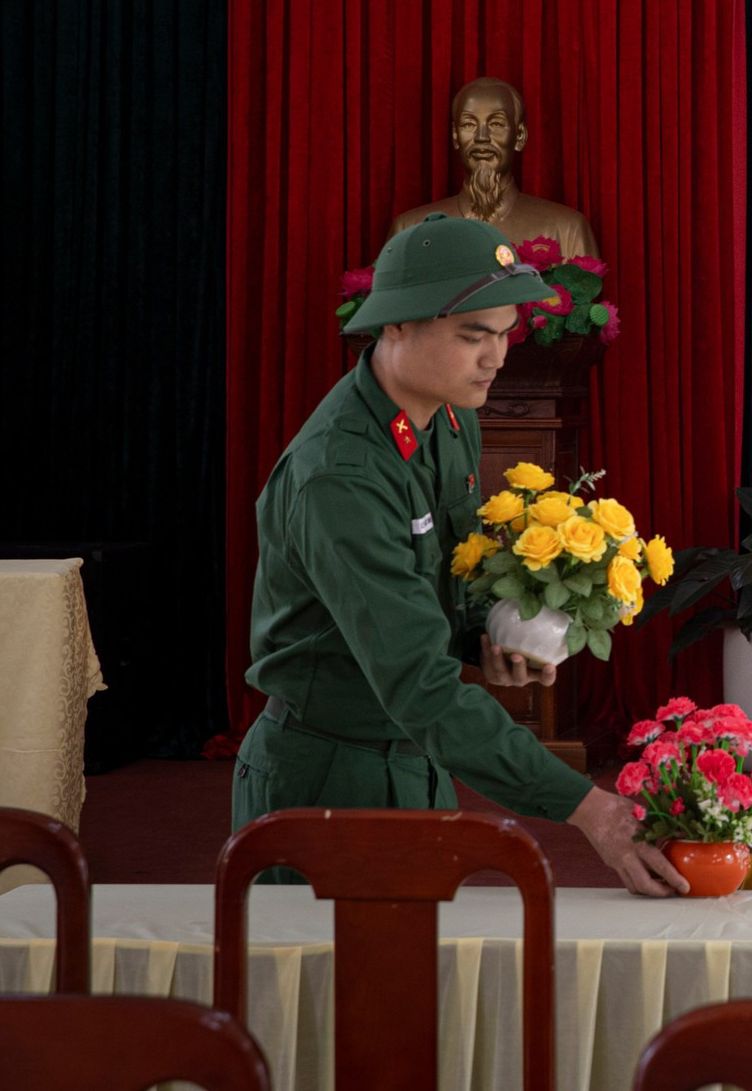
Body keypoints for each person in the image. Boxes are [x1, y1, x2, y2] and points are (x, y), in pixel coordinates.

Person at [235, 214, 685, 896]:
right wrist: (589, 808)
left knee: (417, 961)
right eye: (474, 335)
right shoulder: (342, 476)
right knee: (324, 968)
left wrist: (483, 636)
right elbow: (419, 683)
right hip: (328, 778)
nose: (495, 357)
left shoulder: (450, 418)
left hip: (416, 760)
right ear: (395, 325)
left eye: (504, 333)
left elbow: (447, 568)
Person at [389, 77, 600, 257]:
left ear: (519, 136)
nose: (482, 137)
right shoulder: (408, 230)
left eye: (496, 124)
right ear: (455, 136)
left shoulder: (567, 230)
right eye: (469, 124)